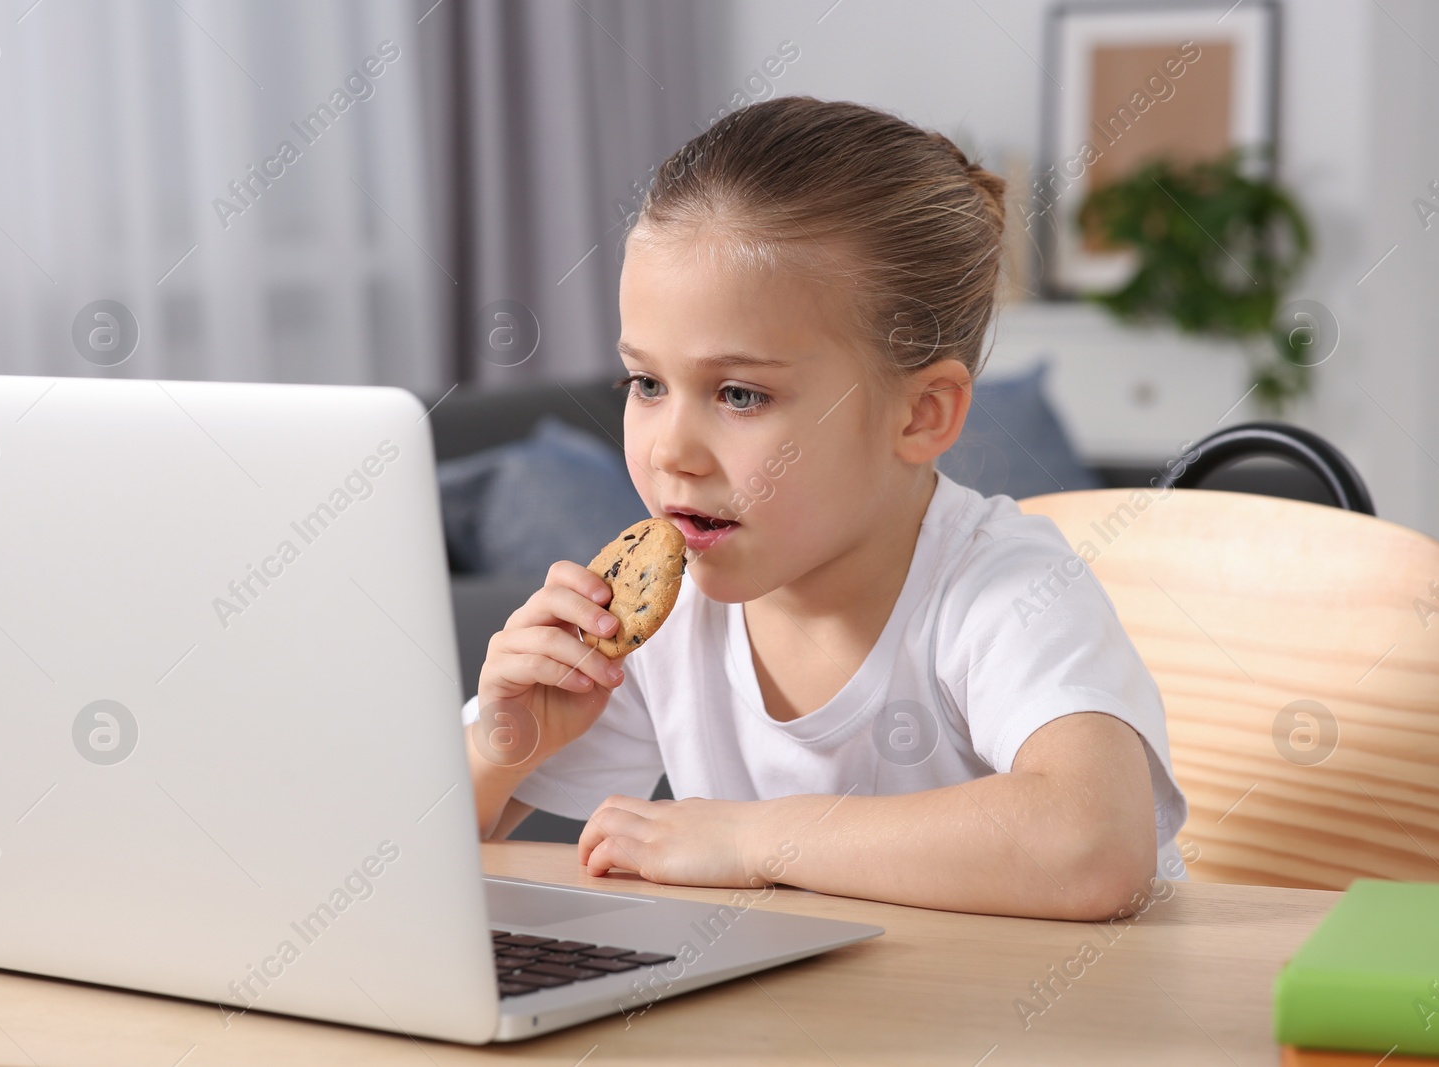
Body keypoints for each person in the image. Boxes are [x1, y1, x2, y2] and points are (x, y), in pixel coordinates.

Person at [461, 96, 1188, 920]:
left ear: (920, 415)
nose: (670, 450)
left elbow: (1093, 846)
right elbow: (395, 867)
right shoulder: (666, 624)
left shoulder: (1004, 590)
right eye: (647, 384)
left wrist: (752, 841)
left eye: (739, 393)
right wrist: (504, 741)